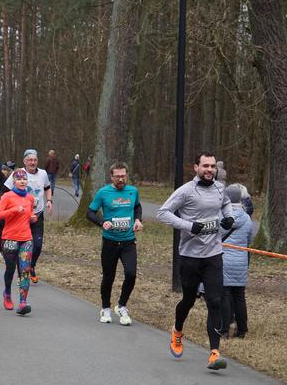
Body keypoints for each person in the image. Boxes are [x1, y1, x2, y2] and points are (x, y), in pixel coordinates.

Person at [157, 151, 234, 370]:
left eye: (212, 166)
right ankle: (177, 330)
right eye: (205, 166)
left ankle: (214, 353)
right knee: (189, 300)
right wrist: (189, 226)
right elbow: (163, 213)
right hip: (190, 257)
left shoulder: (220, 188)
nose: (209, 170)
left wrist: (229, 217)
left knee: (215, 301)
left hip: (214, 255)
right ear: (196, 168)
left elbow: (226, 203)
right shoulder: (186, 191)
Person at [86, 162, 143, 325]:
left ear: (127, 175)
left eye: (123, 175)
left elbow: (137, 207)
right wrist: (101, 222)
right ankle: (105, 308)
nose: (121, 179)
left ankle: (122, 305)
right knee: (108, 276)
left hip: (128, 241)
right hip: (110, 241)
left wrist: (138, 219)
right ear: (111, 177)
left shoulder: (133, 191)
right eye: (117, 176)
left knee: (131, 274)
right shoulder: (103, 193)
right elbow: (89, 213)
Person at [3, 149, 52, 283]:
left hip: (37, 214)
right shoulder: (18, 174)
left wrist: (49, 201)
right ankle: (22, 271)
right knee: (23, 245)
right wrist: (12, 207)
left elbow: (47, 187)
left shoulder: (43, 174)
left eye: (35, 160)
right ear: (24, 161)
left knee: (37, 245)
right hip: (21, 216)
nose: (33, 162)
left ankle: (30, 266)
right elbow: (5, 191)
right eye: (30, 160)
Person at [0, 169, 36, 315]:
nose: (22, 181)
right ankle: (7, 293)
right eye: (19, 179)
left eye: (24, 179)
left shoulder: (30, 198)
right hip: (9, 238)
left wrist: (32, 217)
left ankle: (23, 302)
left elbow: (30, 213)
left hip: (26, 239)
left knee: (25, 270)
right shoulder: (7, 197)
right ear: (14, 182)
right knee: (10, 269)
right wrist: (13, 210)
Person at [220, 184, 253, 339]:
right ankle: (242, 330)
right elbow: (248, 240)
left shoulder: (223, 216)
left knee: (225, 295)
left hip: (224, 259)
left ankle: (225, 329)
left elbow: (216, 235)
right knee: (240, 296)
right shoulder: (247, 218)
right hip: (240, 260)